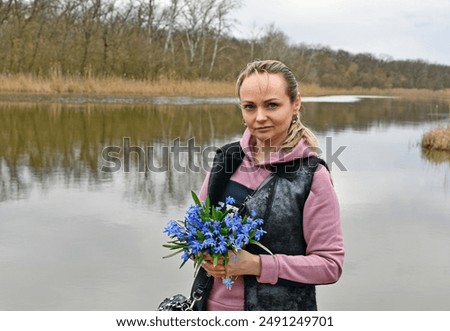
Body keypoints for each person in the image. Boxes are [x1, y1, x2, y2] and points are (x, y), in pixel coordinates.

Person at [192, 60, 344, 311]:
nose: (260, 117)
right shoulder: (226, 159)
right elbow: (195, 227)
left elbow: (330, 265)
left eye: (272, 105)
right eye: (249, 107)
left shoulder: (312, 176)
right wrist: (204, 254)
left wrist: (257, 265)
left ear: (295, 104)